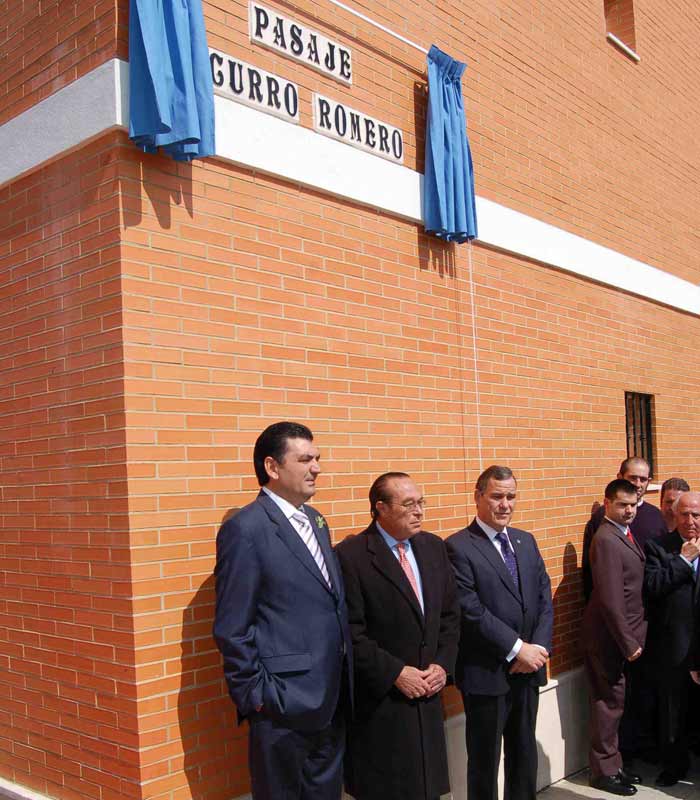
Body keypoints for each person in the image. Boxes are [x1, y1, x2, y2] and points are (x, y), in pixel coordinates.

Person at [213, 421, 353, 800]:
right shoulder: (246, 529)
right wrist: (257, 696)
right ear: (273, 467)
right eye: (305, 459)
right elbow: (231, 626)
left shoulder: (316, 520)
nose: (317, 468)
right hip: (281, 705)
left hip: (331, 697)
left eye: (317, 459)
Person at [335, 472, 459, 800]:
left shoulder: (433, 548)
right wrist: (395, 673)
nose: (419, 511)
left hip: (428, 697)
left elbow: (450, 616)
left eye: (421, 503)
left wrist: (443, 665)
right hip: (382, 703)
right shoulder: (352, 556)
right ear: (380, 508)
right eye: (408, 505)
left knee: (427, 788)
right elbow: (350, 632)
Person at [445, 465, 553, 800]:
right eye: (497, 496)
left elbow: (543, 599)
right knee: (484, 761)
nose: (505, 504)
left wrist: (537, 649)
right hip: (486, 674)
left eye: (511, 496)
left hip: (528, 671)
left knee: (524, 755)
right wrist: (517, 648)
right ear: (478, 497)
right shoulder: (458, 547)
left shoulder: (525, 540)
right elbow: (471, 610)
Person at [582, 479, 647, 796]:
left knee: (616, 703)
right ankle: (602, 772)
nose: (629, 510)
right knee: (607, 704)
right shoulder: (606, 538)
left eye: (633, 504)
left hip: (622, 636)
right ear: (607, 504)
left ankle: (614, 765)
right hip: (609, 639)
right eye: (622, 504)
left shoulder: (623, 534)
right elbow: (610, 598)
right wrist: (628, 641)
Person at [644, 491, 700, 786]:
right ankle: (674, 765)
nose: (690, 521)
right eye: (685, 515)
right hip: (674, 642)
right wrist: (682, 560)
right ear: (674, 516)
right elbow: (652, 586)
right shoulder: (658, 547)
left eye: (697, 515)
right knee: (673, 708)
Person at [582, 457, 666, 601]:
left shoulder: (656, 516)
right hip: (617, 605)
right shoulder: (602, 517)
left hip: (650, 605)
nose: (638, 484)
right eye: (632, 478)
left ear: (649, 481)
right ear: (619, 477)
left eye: (643, 479)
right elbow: (590, 570)